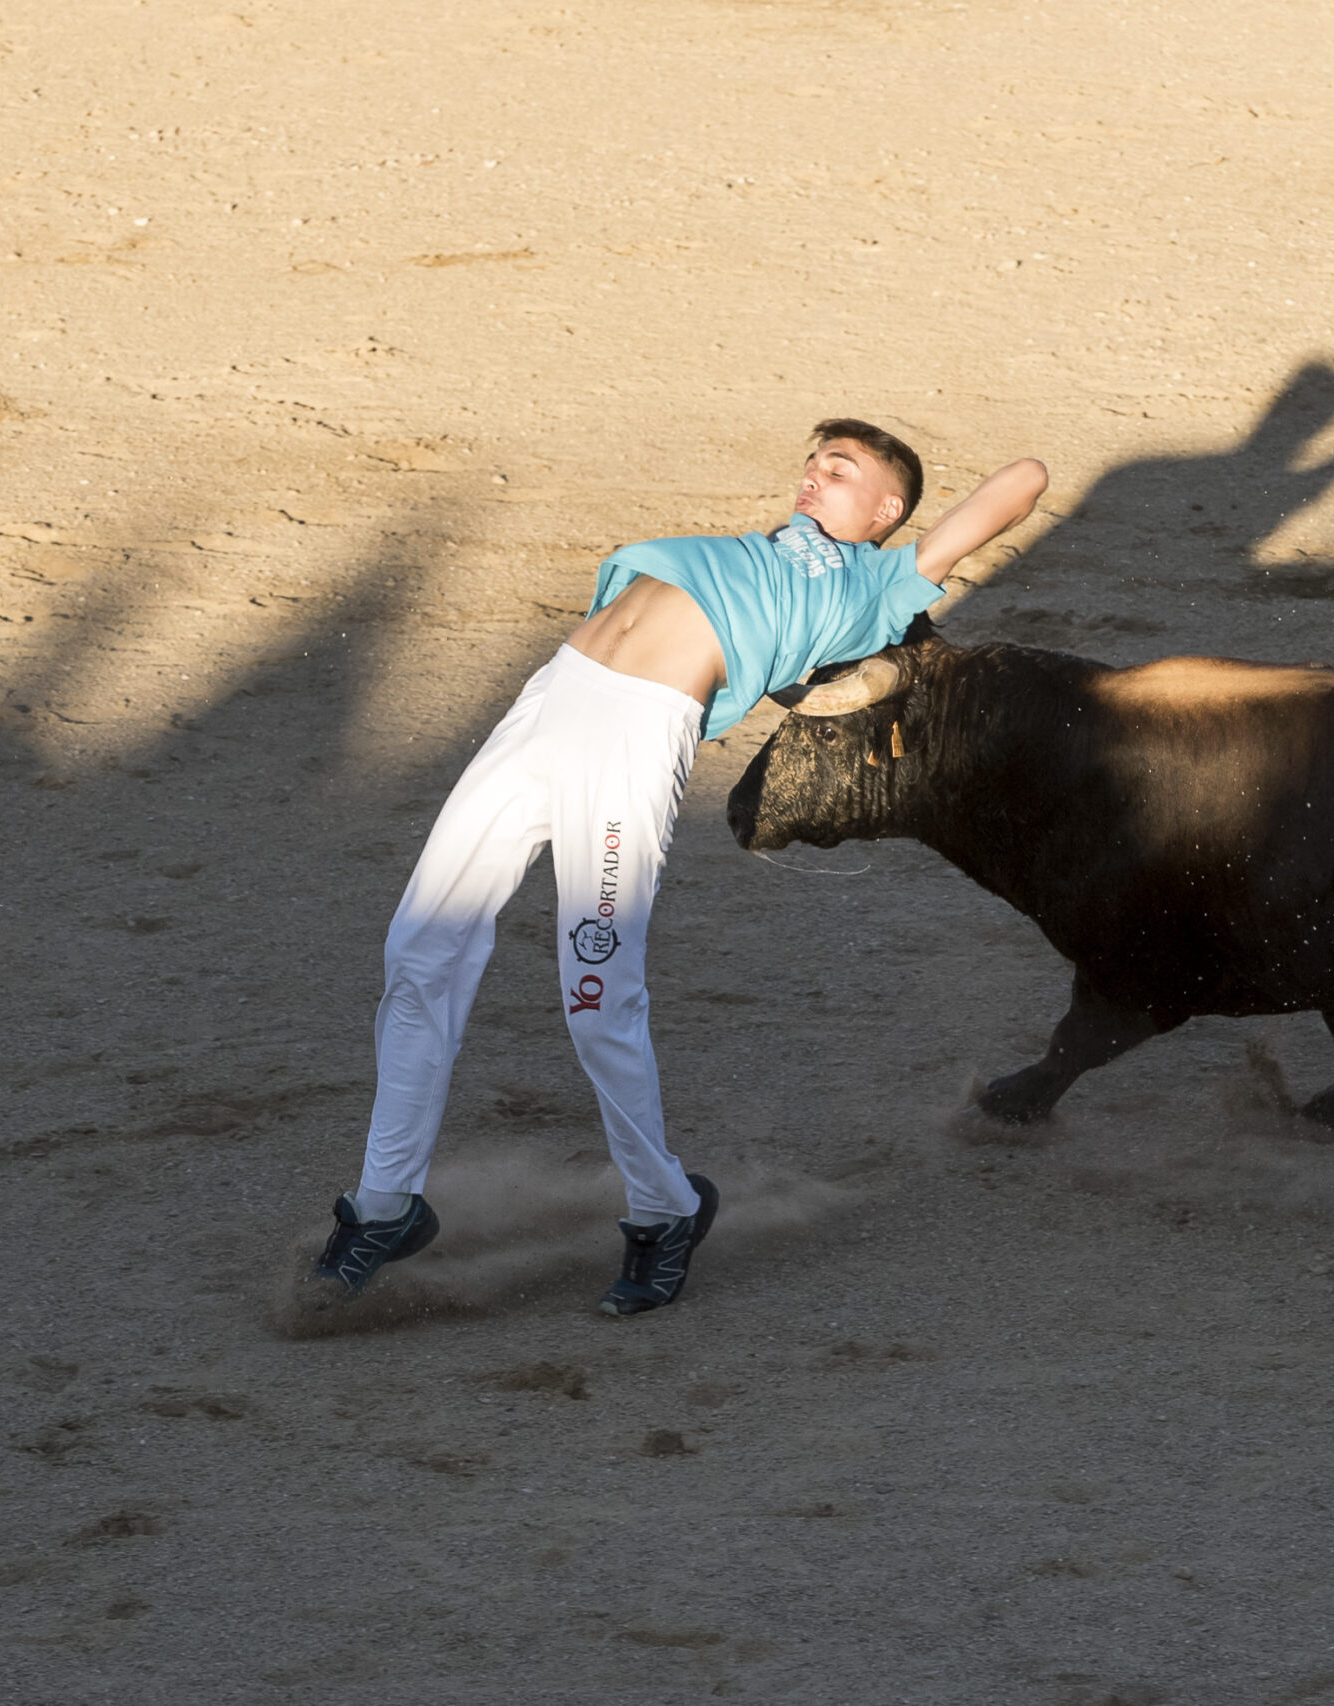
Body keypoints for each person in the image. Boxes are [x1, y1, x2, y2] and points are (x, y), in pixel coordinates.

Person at [314, 420, 1048, 1314]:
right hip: (551, 697)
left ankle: (665, 1212)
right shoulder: (760, 547)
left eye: (841, 469)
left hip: (636, 736)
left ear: (888, 508)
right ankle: (385, 1206)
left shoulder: (882, 584)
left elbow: (1026, 478)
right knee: (420, 949)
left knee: (594, 1000)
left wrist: (918, 552)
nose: (814, 475)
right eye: (812, 460)